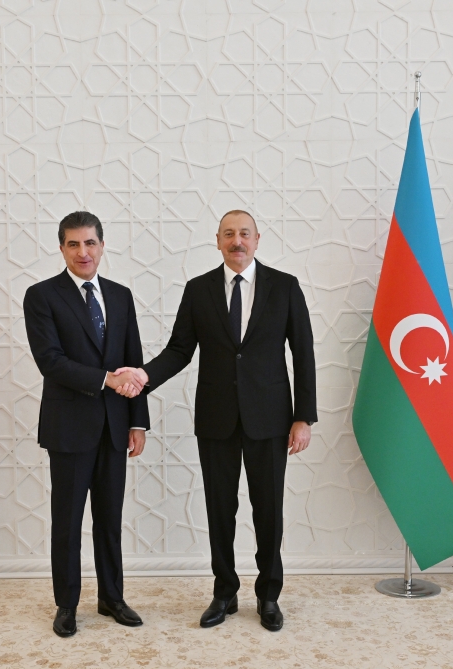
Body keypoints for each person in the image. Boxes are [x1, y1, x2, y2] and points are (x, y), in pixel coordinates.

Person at [116, 210, 316, 631]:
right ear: (218, 240)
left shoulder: (284, 286)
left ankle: (268, 595)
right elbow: (179, 350)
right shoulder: (199, 289)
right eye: (229, 234)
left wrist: (304, 417)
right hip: (216, 418)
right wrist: (143, 377)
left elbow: (303, 353)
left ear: (257, 239)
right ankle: (224, 592)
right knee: (220, 510)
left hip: (270, 419)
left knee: (269, 511)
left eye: (244, 234)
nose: (236, 241)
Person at [23, 211, 149, 638]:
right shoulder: (42, 296)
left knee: (110, 520)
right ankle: (67, 604)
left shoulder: (120, 295)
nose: (83, 252)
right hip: (69, 428)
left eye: (90, 243)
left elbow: (133, 361)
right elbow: (50, 361)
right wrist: (106, 379)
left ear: (102, 245)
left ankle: (112, 598)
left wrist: (138, 423)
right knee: (68, 521)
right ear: (61, 248)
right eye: (74, 244)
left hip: (115, 427)